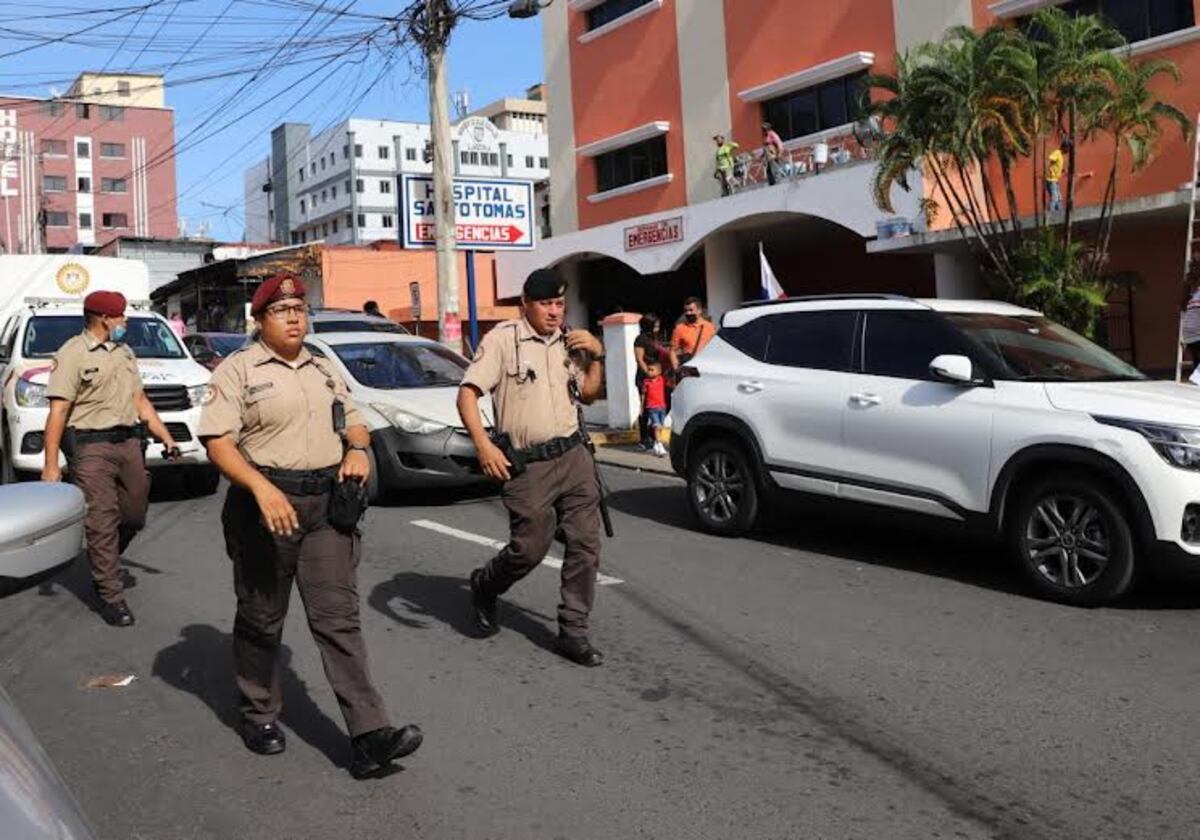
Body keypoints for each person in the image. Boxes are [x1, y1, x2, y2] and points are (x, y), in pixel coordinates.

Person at [198, 273, 422, 778]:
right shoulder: (237, 371)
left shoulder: (323, 368)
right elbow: (217, 442)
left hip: (325, 507)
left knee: (338, 619)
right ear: (259, 321)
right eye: (282, 310)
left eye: (300, 308)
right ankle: (258, 712)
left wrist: (359, 449)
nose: (295, 317)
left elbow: (354, 418)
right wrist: (260, 487)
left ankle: (369, 735)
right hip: (266, 507)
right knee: (261, 617)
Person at [457, 268, 607, 667]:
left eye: (560, 303)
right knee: (529, 549)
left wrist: (596, 354)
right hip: (530, 466)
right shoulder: (504, 341)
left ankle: (573, 631)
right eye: (546, 304)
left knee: (586, 544)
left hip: (574, 456)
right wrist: (483, 445)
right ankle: (486, 583)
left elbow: (589, 394)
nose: (555, 312)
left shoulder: (570, 342)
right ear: (526, 302)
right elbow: (468, 394)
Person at [42, 290, 181, 627]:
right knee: (102, 520)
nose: (125, 321)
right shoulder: (72, 353)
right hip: (91, 448)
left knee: (134, 515)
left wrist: (166, 437)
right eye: (121, 316)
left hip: (129, 443)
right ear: (104, 318)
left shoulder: (125, 352)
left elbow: (140, 400)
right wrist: (50, 465)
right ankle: (111, 595)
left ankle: (102, 562)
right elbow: (58, 412)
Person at [634, 314, 668, 449]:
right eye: (655, 325)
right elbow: (639, 358)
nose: (658, 328)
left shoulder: (656, 338)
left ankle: (656, 437)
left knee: (662, 406)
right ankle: (644, 439)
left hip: (658, 377)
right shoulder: (640, 339)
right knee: (647, 408)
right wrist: (647, 373)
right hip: (645, 378)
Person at [671, 297, 715, 368]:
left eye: (691, 310)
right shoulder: (679, 328)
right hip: (689, 367)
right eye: (686, 310)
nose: (688, 313)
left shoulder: (710, 327)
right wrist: (676, 369)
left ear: (699, 310)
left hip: (707, 366)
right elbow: (673, 351)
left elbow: (714, 347)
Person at [640, 359, 669, 457]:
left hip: (662, 407)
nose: (649, 372)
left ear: (658, 371)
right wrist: (641, 407)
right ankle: (660, 446)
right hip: (652, 407)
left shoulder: (662, 380)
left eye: (652, 370)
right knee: (656, 426)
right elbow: (643, 395)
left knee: (660, 427)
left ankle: (656, 444)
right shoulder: (646, 382)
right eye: (648, 369)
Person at [1045, 141, 1067, 212]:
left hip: (1055, 180)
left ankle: (1059, 215)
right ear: (1065, 148)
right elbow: (1048, 160)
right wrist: (1048, 171)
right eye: (1068, 149)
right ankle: (1050, 215)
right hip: (1051, 180)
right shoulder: (1057, 153)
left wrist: (1062, 170)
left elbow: (1055, 166)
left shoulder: (1060, 155)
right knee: (1054, 198)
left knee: (1059, 199)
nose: (1068, 151)